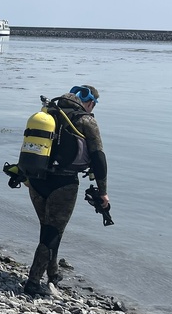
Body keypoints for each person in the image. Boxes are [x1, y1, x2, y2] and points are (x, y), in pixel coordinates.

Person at [22, 84, 109, 297]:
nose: (92, 108)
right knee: (51, 233)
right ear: (89, 102)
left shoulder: (48, 113)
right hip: (63, 184)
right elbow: (98, 158)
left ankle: (53, 274)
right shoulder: (86, 120)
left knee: (49, 228)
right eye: (93, 105)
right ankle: (33, 282)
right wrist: (103, 191)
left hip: (36, 180)